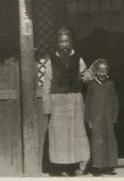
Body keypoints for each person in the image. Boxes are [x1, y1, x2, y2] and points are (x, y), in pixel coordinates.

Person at [42, 27, 93, 176]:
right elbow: (46, 85)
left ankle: (76, 166)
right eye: (61, 42)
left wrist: (89, 75)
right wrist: (47, 108)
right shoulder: (51, 61)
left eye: (67, 41)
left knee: (76, 134)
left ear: (71, 42)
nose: (64, 44)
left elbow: (84, 76)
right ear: (57, 43)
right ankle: (62, 168)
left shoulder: (78, 59)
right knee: (60, 137)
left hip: (75, 101)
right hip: (57, 103)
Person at [85, 59, 119, 176]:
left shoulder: (110, 85)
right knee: (97, 143)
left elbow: (115, 102)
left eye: (105, 73)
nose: (102, 76)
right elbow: (88, 103)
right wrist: (88, 120)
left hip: (108, 119)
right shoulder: (92, 85)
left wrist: (114, 117)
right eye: (100, 73)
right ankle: (97, 168)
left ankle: (109, 167)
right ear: (96, 73)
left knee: (109, 142)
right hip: (96, 120)